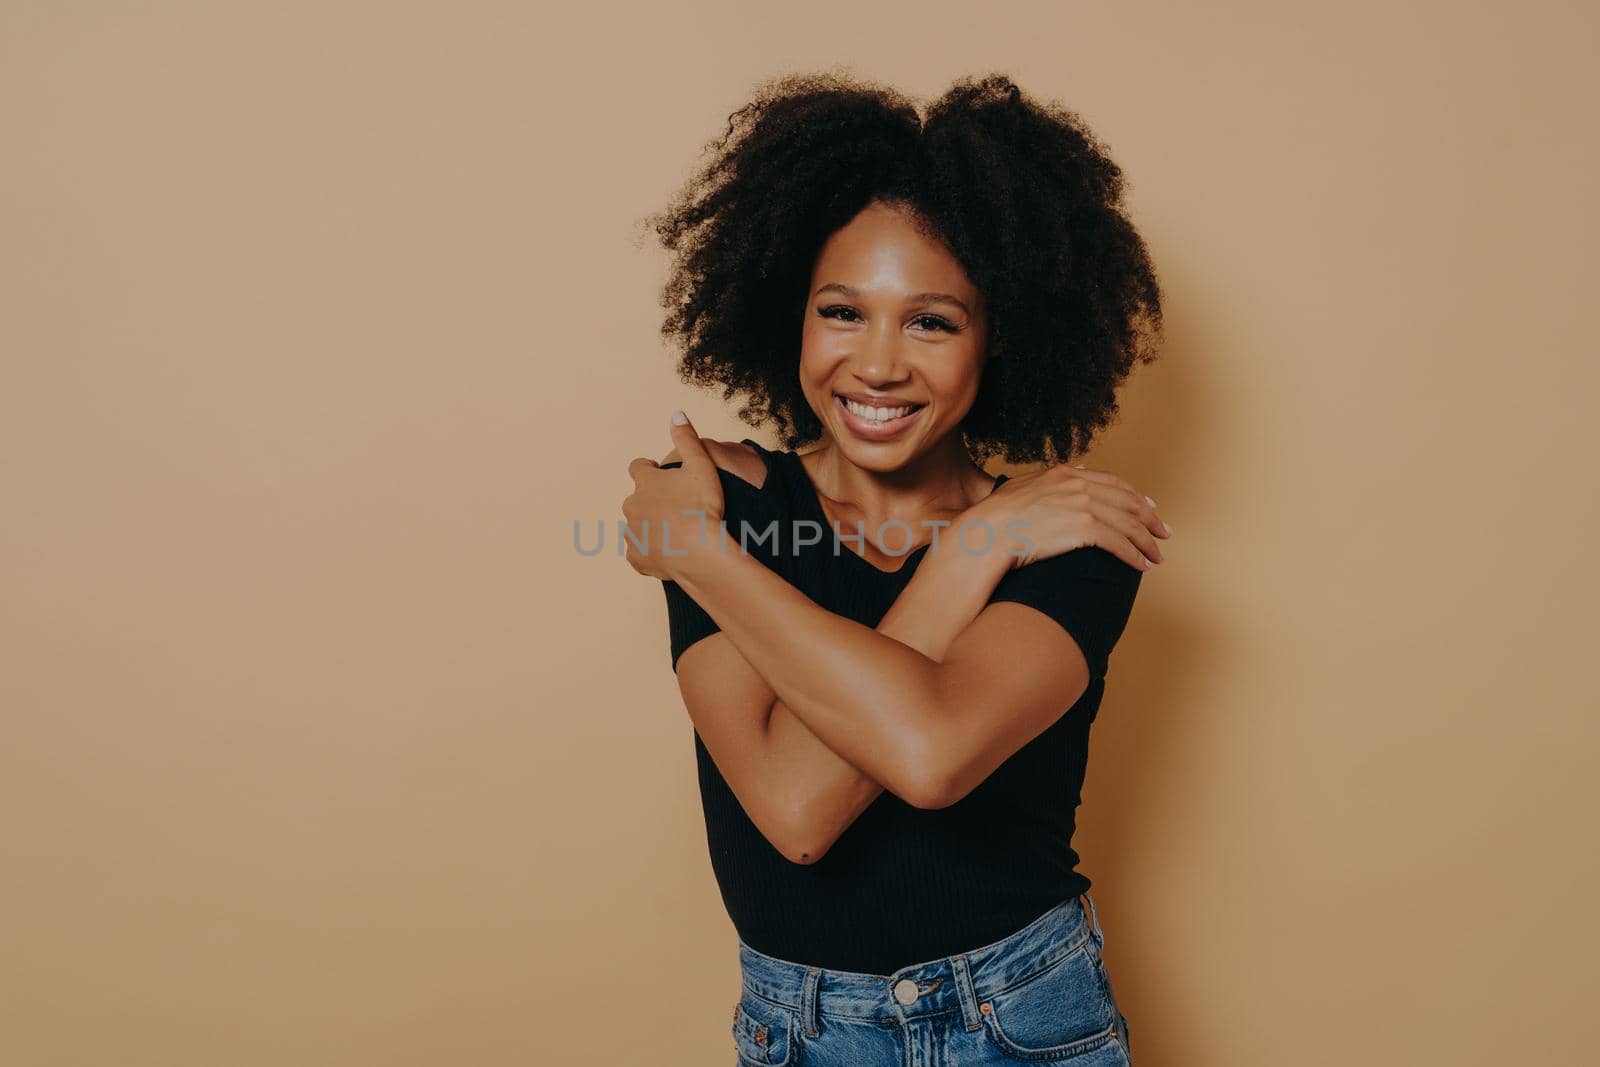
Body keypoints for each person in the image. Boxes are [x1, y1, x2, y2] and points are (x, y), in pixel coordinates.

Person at [621, 71, 1167, 1066]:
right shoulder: (730, 500)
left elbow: (928, 752)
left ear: (997, 338)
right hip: (805, 1031)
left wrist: (972, 543)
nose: (877, 364)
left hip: (1027, 1019)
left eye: (931, 320)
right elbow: (793, 812)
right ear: (789, 313)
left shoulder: (1065, 534)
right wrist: (710, 542)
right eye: (841, 311)